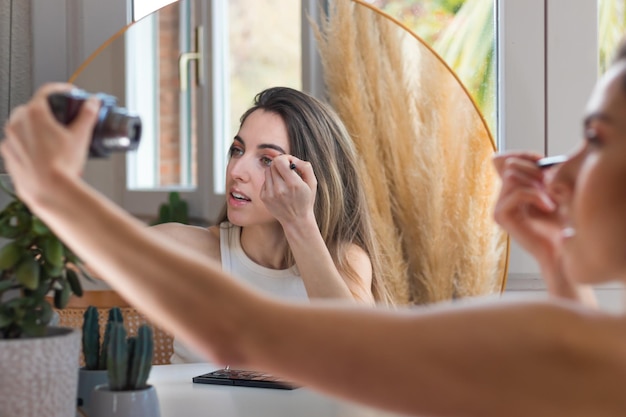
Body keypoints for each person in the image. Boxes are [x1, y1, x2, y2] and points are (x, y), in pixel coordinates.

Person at [5, 38, 626, 415]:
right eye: (236, 150)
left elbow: (254, 333)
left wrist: (52, 187)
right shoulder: (602, 348)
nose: (560, 168)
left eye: (594, 138)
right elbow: (577, 373)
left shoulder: (340, 253)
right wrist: (556, 262)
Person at [152, 87, 393, 363]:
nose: (236, 171)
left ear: (309, 178)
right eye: (237, 150)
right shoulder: (185, 250)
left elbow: (361, 357)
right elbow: (92, 253)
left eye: (266, 159)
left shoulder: (345, 260)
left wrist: (300, 221)